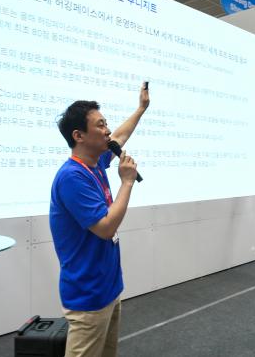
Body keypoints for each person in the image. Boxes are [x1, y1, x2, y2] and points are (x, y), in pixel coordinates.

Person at [50, 83, 149, 357]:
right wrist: (127, 182)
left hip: (108, 286)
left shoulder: (94, 163)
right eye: (100, 125)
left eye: (106, 124)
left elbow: (120, 136)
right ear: (79, 135)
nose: (107, 130)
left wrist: (140, 109)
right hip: (87, 293)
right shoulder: (72, 176)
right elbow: (105, 228)